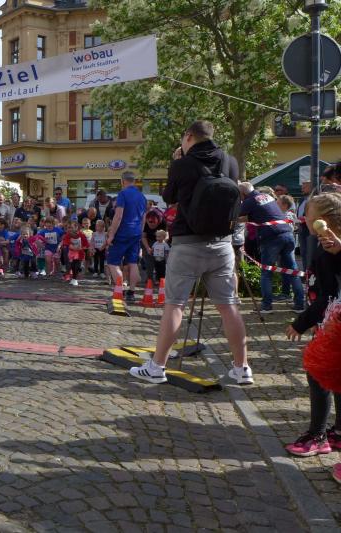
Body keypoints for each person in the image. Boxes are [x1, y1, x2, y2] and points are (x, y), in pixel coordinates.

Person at [130, 120, 252, 385]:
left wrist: (176, 163)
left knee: (175, 304)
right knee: (228, 306)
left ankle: (157, 367)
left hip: (188, 242)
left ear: (188, 137)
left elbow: (169, 197)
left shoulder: (183, 164)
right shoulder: (230, 161)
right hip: (222, 244)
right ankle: (242, 368)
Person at [283, 192, 341, 459]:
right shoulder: (328, 245)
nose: (304, 217)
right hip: (331, 321)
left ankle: (317, 435)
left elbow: (328, 293)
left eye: (308, 213)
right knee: (335, 375)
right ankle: (338, 431)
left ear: (323, 219)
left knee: (319, 374)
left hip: (332, 324)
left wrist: (301, 322)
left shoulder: (328, 249)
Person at [239, 182, 305, 313]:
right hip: (287, 234)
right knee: (293, 271)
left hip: (271, 238)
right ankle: (299, 305)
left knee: (266, 273)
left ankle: (266, 306)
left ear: (243, 193)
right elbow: (261, 215)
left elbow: (235, 214)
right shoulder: (267, 196)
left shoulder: (249, 200)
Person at [106, 172, 148, 302]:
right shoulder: (142, 196)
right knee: (133, 263)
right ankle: (131, 293)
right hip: (136, 233)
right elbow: (143, 218)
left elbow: (118, 216)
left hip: (122, 232)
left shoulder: (122, 194)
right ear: (133, 181)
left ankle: (119, 291)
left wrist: (111, 235)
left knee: (112, 262)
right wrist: (139, 233)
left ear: (122, 181)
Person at [140, 208, 165, 285]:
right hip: (147, 240)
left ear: (158, 221)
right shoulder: (145, 222)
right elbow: (143, 236)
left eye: (154, 222)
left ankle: (160, 279)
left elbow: (166, 235)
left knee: (159, 261)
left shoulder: (163, 222)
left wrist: (160, 244)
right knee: (148, 260)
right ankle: (149, 278)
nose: (151, 224)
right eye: (149, 222)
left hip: (159, 241)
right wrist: (147, 248)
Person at [61, 220, 88, 286]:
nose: (69, 229)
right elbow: (67, 243)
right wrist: (75, 248)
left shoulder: (81, 235)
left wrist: (83, 248)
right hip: (71, 253)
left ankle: (75, 279)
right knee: (72, 265)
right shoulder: (67, 235)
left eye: (71, 227)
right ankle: (73, 278)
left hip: (80, 253)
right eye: (68, 228)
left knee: (77, 265)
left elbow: (86, 244)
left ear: (76, 227)